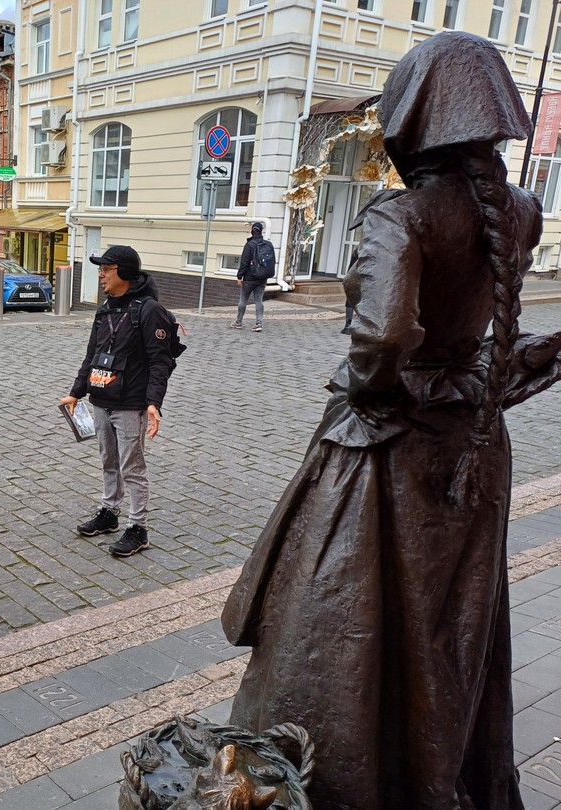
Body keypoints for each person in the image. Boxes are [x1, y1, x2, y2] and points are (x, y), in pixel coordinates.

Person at [221, 31, 561, 809]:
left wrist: (369, 390)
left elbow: (382, 338)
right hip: (474, 447)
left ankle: (354, 781)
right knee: (451, 626)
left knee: (338, 625)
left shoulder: (400, 216)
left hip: (389, 452)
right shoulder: (523, 212)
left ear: (414, 120)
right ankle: (439, 777)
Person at [60, 245, 175, 558]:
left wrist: (153, 402)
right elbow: (92, 354)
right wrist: (76, 392)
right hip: (101, 398)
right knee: (108, 461)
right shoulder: (105, 309)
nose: (101, 275)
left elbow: (160, 361)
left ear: (124, 272)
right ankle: (109, 513)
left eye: (106, 270)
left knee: (132, 467)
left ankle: (138, 528)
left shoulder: (149, 310)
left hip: (130, 404)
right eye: (100, 270)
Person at [232, 222, 273, 332]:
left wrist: (239, 276)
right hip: (262, 277)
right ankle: (259, 323)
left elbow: (244, 263)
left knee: (243, 299)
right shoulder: (268, 244)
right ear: (262, 231)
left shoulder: (249, 245)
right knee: (259, 300)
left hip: (249, 278)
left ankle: (238, 322)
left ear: (252, 231)